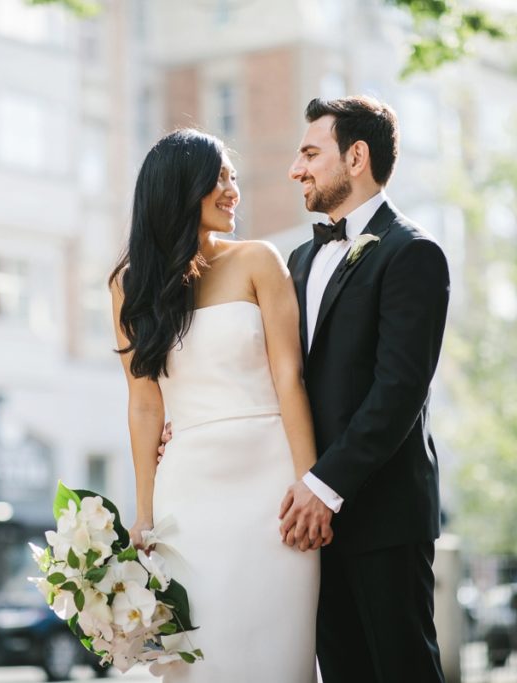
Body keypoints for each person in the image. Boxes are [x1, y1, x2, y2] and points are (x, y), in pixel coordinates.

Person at [109, 128, 321, 682]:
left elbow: (290, 379)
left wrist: (310, 485)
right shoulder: (130, 286)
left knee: (280, 654)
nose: (233, 191)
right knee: (201, 659)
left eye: (234, 178)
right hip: (190, 498)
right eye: (220, 178)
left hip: (273, 494)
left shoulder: (258, 260)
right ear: (182, 188)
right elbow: (143, 404)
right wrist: (146, 514)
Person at [280, 96, 450, 682]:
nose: (295, 169)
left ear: (356, 157)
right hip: (308, 525)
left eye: (309, 153)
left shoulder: (414, 252)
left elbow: (399, 390)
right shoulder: (297, 260)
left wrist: (324, 487)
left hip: (383, 514)